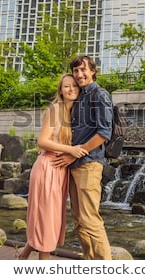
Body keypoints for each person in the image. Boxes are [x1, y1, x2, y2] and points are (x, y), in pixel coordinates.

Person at [17, 73, 88, 260]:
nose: (71, 89)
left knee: (48, 217)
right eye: (66, 86)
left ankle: (23, 255)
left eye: (74, 85)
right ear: (61, 91)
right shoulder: (55, 110)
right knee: (46, 218)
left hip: (60, 170)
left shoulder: (74, 113)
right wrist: (70, 150)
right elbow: (42, 141)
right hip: (47, 167)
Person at [53, 55, 113, 260]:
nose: (79, 75)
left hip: (89, 163)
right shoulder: (79, 96)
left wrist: (74, 154)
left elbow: (104, 132)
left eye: (83, 70)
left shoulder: (100, 94)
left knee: (90, 219)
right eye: (76, 71)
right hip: (74, 164)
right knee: (79, 220)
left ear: (93, 71)